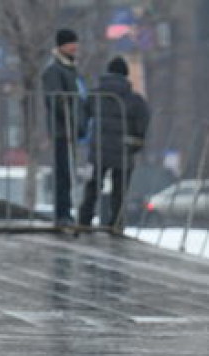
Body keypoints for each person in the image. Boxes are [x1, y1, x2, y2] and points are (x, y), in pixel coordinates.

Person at [78, 57, 150, 231]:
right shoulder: (134, 100)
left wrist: (83, 136)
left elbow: (81, 117)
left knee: (93, 186)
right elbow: (142, 122)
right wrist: (136, 145)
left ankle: (84, 220)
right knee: (119, 191)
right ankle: (116, 223)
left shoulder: (95, 95)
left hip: (99, 150)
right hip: (123, 150)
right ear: (126, 76)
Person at [41, 28, 85, 230]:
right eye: (70, 43)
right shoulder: (54, 70)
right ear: (61, 46)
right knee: (63, 172)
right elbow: (56, 99)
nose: (75, 47)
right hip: (62, 129)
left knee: (68, 171)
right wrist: (68, 112)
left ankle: (66, 212)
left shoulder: (70, 69)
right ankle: (62, 213)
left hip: (71, 128)